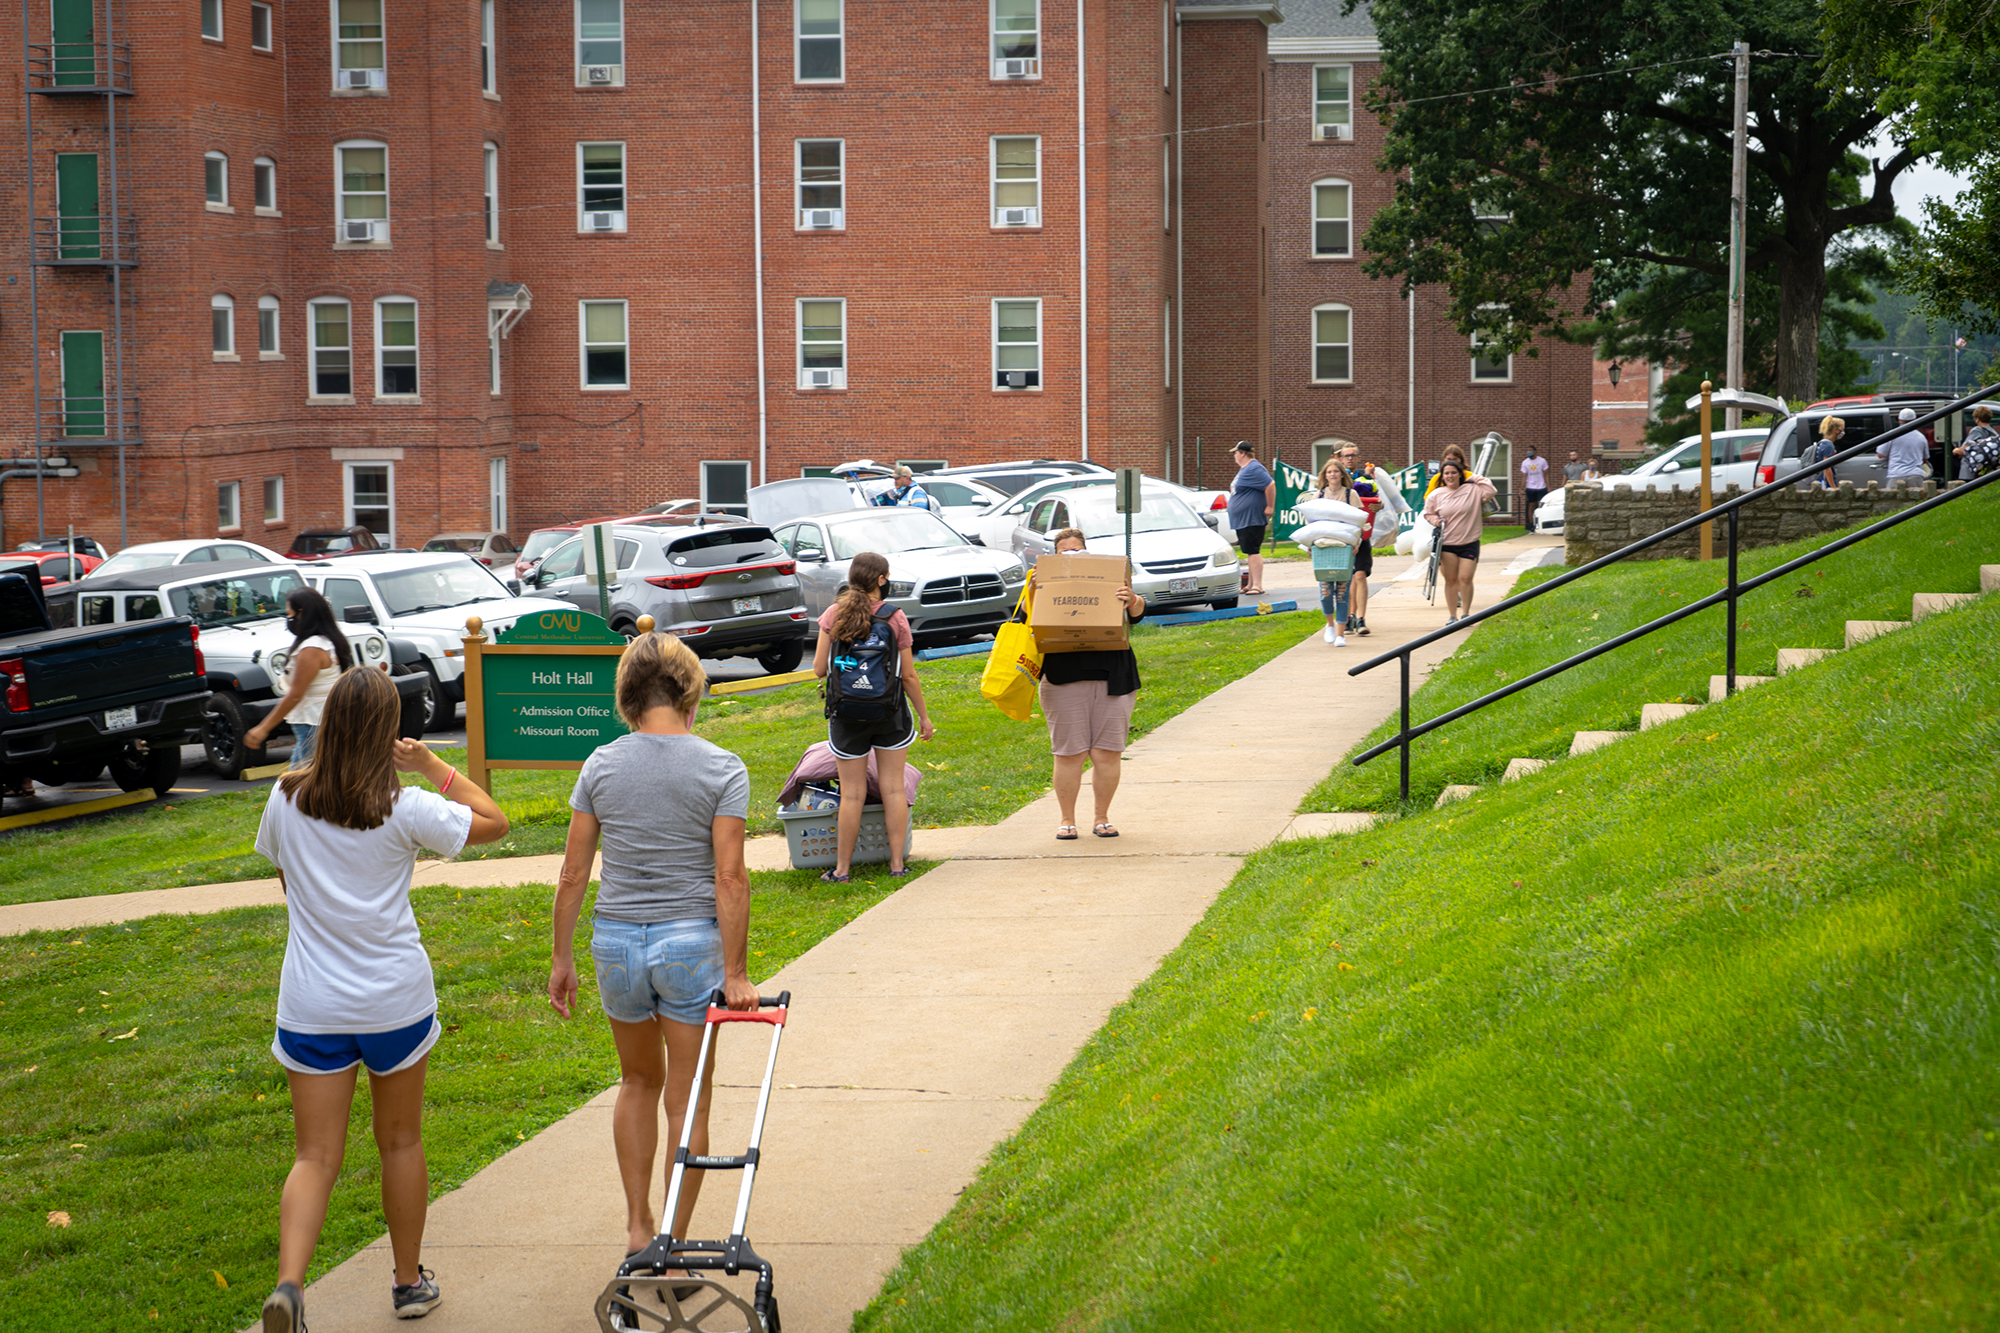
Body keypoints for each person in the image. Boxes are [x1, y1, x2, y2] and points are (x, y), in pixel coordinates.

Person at [255, 668, 510, 1333]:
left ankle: (289, 1285)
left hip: (311, 1002)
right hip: (394, 1001)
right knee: (399, 1141)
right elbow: (496, 821)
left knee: (314, 1155)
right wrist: (431, 762)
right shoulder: (404, 806)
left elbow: (288, 882)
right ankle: (406, 1283)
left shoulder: (284, 799)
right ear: (386, 730)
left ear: (331, 722)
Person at [547, 631, 758, 1290]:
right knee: (687, 1096)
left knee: (638, 1081)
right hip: (691, 945)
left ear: (627, 696)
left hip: (616, 944)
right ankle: (670, 1238)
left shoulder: (600, 765)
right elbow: (730, 878)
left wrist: (562, 956)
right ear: (690, 691)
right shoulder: (722, 767)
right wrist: (737, 972)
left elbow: (574, 871)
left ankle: (638, 1225)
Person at [811, 552, 933, 881]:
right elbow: (908, 676)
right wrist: (924, 717)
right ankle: (896, 865)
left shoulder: (833, 614)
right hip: (890, 713)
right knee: (893, 789)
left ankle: (842, 870)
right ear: (881, 580)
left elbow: (819, 669)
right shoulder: (895, 617)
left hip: (847, 715)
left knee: (852, 794)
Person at [1033, 527, 1146, 839]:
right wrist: (1034, 590)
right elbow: (1030, 622)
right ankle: (1067, 820)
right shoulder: (1041, 581)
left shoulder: (1109, 577)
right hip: (1063, 674)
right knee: (1069, 753)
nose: (1071, 555)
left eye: (1077, 550)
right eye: (1064, 552)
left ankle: (1102, 818)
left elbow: (1137, 614)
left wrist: (1132, 598)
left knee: (1107, 753)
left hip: (1115, 674)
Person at [245, 587, 353, 767]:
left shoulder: (311, 649)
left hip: (313, 722)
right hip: (320, 720)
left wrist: (263, 728)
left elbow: (295, 694)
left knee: (301, 783)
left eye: (290, 614)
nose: (288, 620)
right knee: (302, 781)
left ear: (302, 613)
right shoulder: (327, 641)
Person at [1422, 459, 1497, 626]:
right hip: (1448, 543)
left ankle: (1466, 614)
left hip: (1469, 541)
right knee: (1451, 580)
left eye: (1454, 473)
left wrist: (1474, 478)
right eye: (1447, 473)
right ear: (1442, 476)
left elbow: (1491, 490)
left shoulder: (1472, 489)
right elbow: (1428, 513)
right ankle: (1452, 616)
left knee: (1465, 578)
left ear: (1460, 474)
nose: (1450, 476)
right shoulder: (1436, 494)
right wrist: (1437, 521)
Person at [1334, 441, 1394, 636]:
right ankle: (1350, 617)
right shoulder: (1335, 478)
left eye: (1353, 455)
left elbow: (1377, 499)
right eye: (1346, 456)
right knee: (1348, 578)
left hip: (1363, 534)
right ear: (1340, 458)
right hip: (1342, 535)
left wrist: (1378, 505)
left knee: (1360, 575)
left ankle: (1361, 619)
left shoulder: (1365, 477)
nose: (1349, 458)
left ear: (1358, 458)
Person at [1308, 458, 1361, 646]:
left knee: (1342, 592)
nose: (1333, 475)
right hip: (1323, 548)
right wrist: (1310, 543)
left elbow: (1358, 522)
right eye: (1329, 472)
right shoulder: (1319, 495)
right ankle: (1329, 625)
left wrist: (1356, 543)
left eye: (1336, 471)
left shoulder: (1350, 495)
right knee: (1325, 592)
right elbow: (1311, 522)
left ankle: (1340, 635)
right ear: (1325, 475)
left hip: (1344, 548)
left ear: (1341, 474)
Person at [1227, 442, 1275, 594]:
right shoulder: (1246, 469)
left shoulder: (1254, 468)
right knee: (1249, 550)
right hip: (1243, 519)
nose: (1234, 456)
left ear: (1242, 453)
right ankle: (1250, 584)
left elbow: (1271, 484)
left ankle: (1257, 586)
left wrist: (1270, 506)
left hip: (1251, 518)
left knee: (1253, 550)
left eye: (1235, 453)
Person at [1878, 407, 1930, 485]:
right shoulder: (1921, 437)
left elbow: (1880, 454)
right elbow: (1925, 459)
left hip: (1896, 474)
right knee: (1916, 497)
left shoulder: (1892, 435)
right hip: (1915, 475)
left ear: (1899, 420)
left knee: (1893, 497)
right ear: (1915, 420)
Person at [1954, 404, 1998, 480]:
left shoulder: (1977, 431)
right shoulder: (1994, 433)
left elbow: (1963, 450)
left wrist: (1955, 450)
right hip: (1985, 471)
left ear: (1977, 419)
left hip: (1970, 472)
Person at [1520, 445, 1551, 527]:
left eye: (1530, 450)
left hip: (1541, 487)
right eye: (1528, 450)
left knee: (1541, 506)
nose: (1529, 452)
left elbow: (1546, 474)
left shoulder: (1542, 461)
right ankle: (1531, 525)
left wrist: (1549, 486)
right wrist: (1521, 489)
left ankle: (1540, 523)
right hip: (1530, 487)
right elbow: (1524, 476)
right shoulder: (1525, 462)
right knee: (1531, 506)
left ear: (1535, 451)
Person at [1809, 416, 1843, 490]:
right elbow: (1827, 468)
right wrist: (1833, 487)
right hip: (1824, 481)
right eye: (1841, 430)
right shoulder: (1828, 445)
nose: (1842, 432)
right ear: (1835, 430)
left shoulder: (1823, 443)